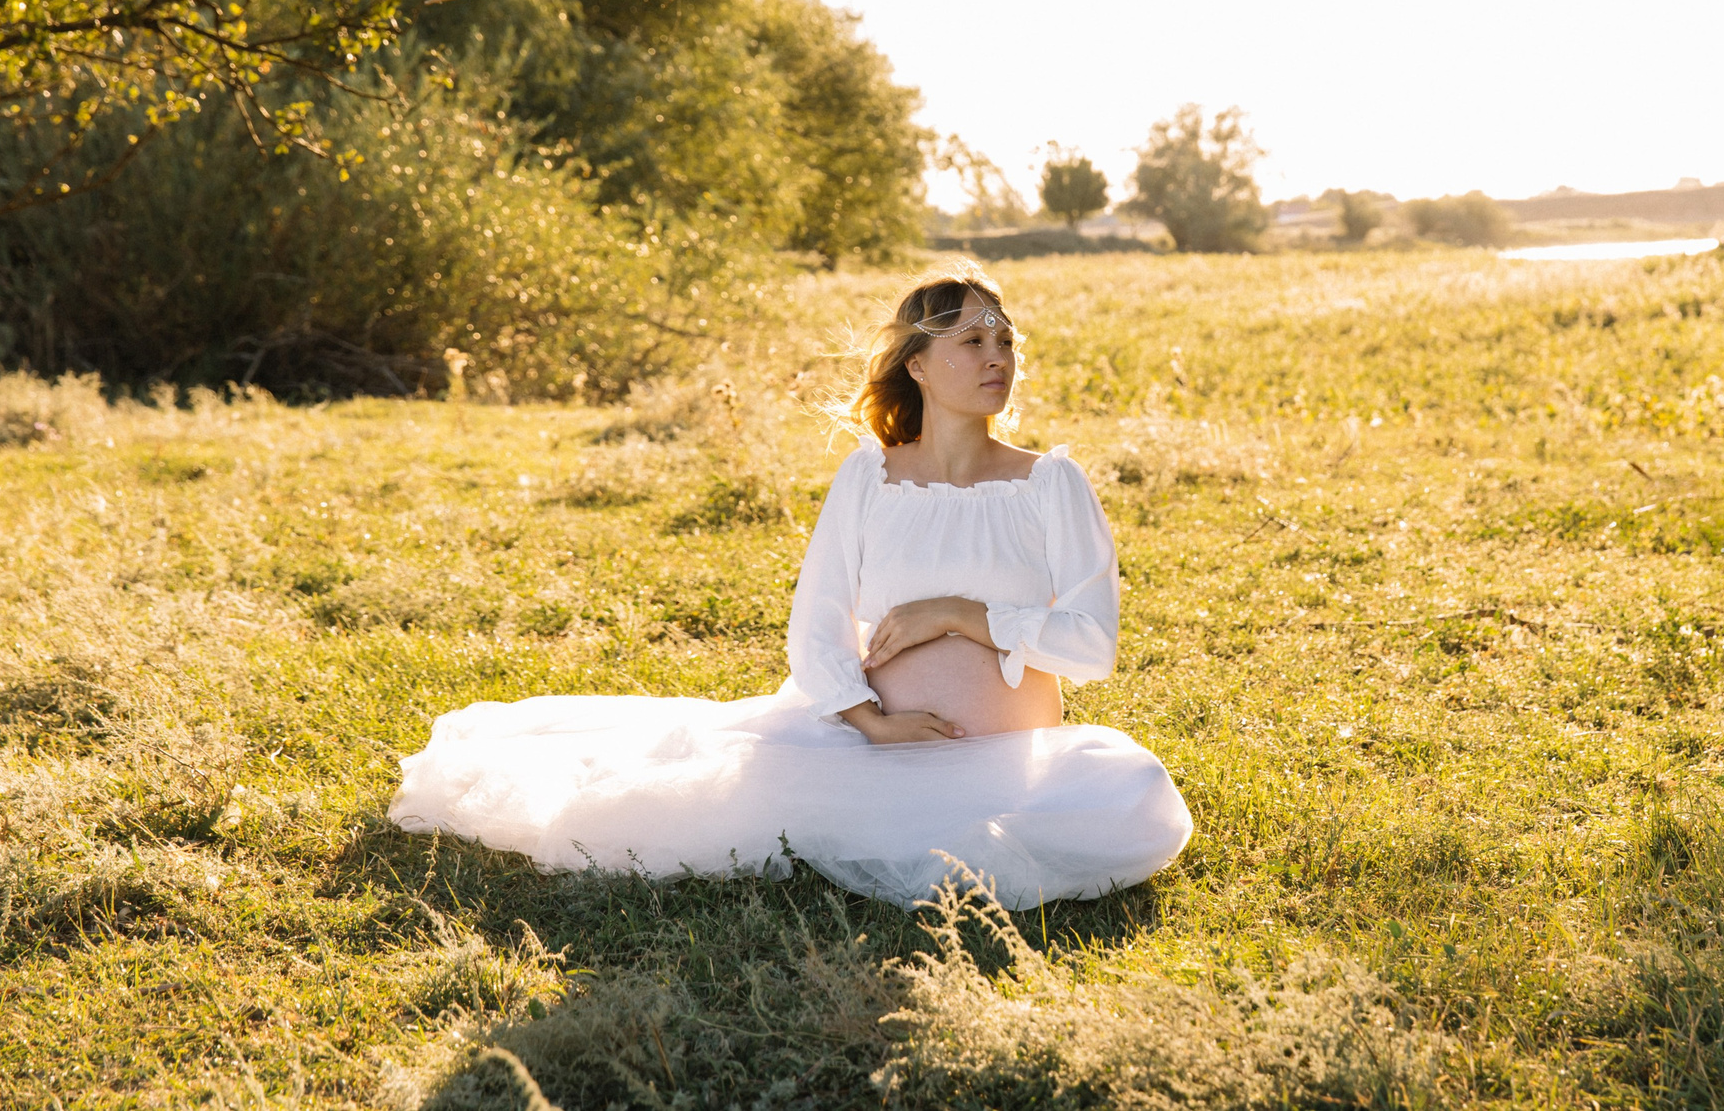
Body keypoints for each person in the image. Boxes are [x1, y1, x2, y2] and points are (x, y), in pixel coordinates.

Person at [386, 267, 1191, 908]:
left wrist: (961, 615)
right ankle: (891, 807)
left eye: (1005, 341)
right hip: (869, 753)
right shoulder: (870, 478)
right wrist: (874, 726)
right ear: (917, 364)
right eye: (972, 341)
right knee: (662, 816)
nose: (997, 360)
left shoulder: (1051, 483)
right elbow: (816, 623)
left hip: (1016, 761)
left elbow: (1091, 645)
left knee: (1138, 797)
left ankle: (944, 825)